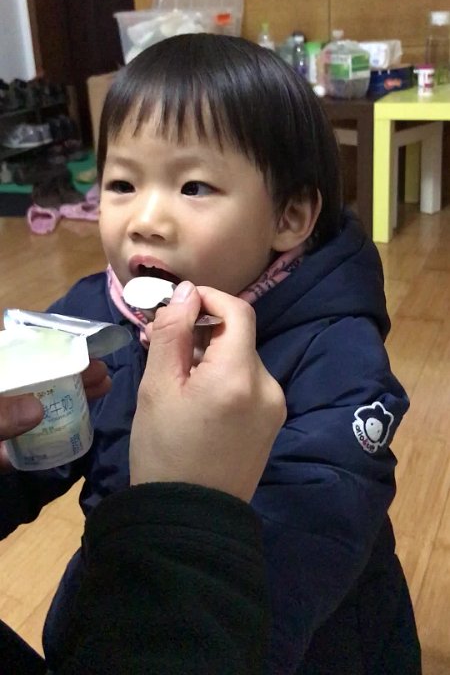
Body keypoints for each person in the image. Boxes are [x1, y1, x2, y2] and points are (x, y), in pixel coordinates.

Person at [1, 34, 421, 674]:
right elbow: (38, 448)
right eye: (122, 183)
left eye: (193, 186)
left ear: (288, 216)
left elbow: (313, 536)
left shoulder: (333, 354)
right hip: (127, 603)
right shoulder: (95, 315)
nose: (145, 219)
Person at [1, 283, 285, 673]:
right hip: (101, 621)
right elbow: (39, 467)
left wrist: (187, 520)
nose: (143, 227)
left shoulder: (332, 352)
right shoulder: (86, 308)